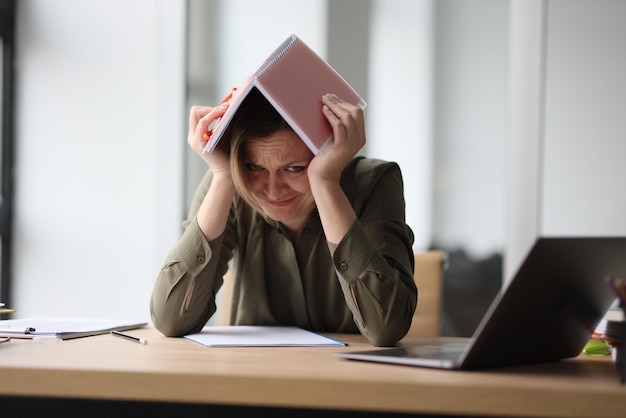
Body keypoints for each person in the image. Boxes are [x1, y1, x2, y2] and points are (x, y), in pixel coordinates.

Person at [150, 88, 417, 347]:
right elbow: (170, 320)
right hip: (254, 378)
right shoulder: (229, 181)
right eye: (254, 166)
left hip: (349, 381)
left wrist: (325, 182)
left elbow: (386, 329)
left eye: (294, 168)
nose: (273, 190)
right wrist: (223, 178)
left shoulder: (373, 182)